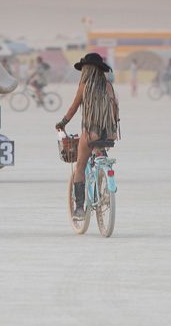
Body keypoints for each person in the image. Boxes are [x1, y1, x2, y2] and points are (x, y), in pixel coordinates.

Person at [55, 52, 120, 218]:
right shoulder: (108, 85)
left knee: (81, 166)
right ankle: (103, 180)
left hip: (92, 133)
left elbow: (73, 108)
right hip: (110, 134)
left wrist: (62, 123)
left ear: (87, 69)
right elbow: (114, 109)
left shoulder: (84, 86)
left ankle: (79, 209)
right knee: (100, 151)